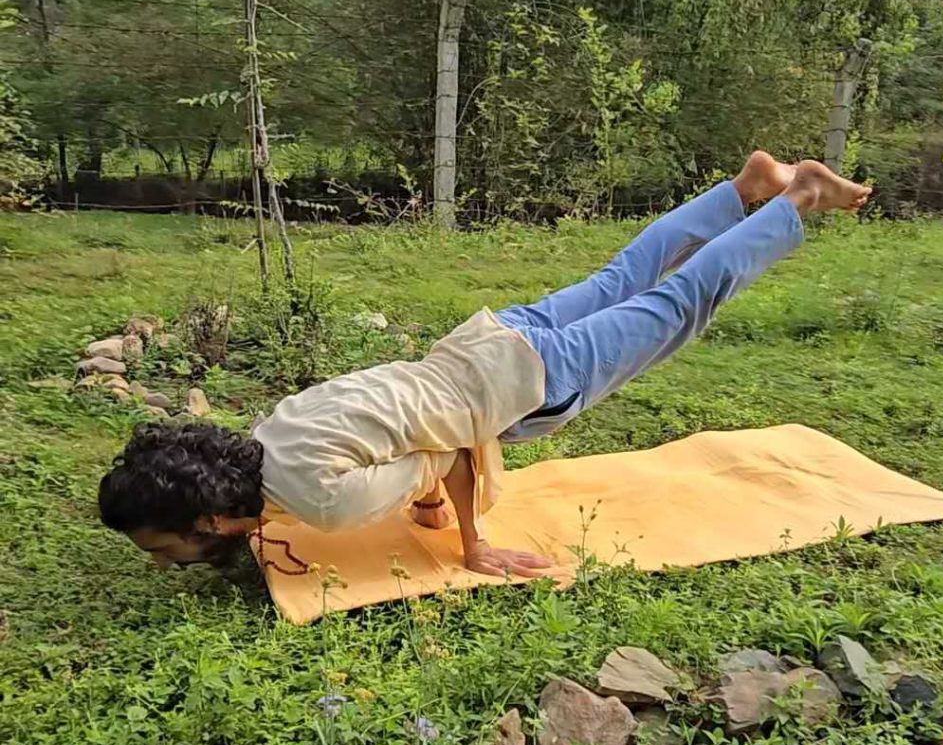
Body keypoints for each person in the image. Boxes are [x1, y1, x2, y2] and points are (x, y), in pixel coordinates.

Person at [98, 155, 871, 578]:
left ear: (210, 521)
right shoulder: (272, 434)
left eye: (167, 549)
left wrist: (469, 541)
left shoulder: (320, 503)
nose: (174, 564)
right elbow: (398, 435)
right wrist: (422, 499)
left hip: (523, 381)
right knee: (620, 280)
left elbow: (451, 450)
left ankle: (796, 197)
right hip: (478, 344)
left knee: (678, 306)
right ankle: (744, 189)